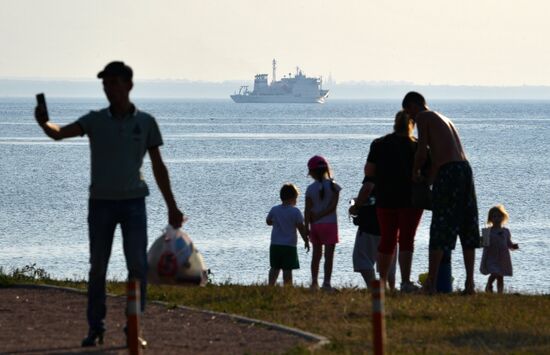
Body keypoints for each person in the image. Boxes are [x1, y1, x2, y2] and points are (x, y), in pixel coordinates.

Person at [34, 61, 184, 346]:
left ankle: (133, 325)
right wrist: (43, 123)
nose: (109, 88)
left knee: (138, 266)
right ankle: (96, 327)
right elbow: (58, 133)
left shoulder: (146, 122)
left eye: (114, 83)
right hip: (100, 203)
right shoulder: (95, 120)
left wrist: (172, 206)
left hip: (134, 205)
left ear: (128, 85)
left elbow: (159, 167)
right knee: (98, 268)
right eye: (105, 84)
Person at [403, 91, 480, 294]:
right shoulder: (444, 118)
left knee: (440, 227)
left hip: (449, 173)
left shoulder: (423, 117)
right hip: (464, 169)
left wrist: (415, 173)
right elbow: (442, 154)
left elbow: (422, 151)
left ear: (413, 105)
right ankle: (470, 284)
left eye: (408, 112)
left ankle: (431, 284)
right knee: (467, 225)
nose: (410, 118)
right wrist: (430, 179)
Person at [350, 111, 423, 292]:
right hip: (410, 200)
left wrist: (358, 205)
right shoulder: (417, 146)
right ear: (411, 126)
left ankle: (381, 282)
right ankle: (405, 281)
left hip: (386, 199)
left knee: (387, 240)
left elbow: (369, 172)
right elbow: (425, 173)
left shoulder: (379, 144)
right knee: (406, 240)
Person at [304, 155, 341, 291]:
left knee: (316, 255)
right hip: (330, 225)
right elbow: (333, 207)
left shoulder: (310, 189)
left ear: (311, 172)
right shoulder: (334, 186)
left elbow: (307, 210)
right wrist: (321, 215)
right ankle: (326, 283)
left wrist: (307, 226)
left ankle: (314, 283)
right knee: (329, 256)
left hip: (315, 226)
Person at [349, 191, 397, 290]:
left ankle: (374, 288)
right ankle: (390, 289)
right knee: (389, 261)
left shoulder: (373, 179)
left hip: (369, 227)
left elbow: (369, 191)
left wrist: (356, 205)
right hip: (391, 226)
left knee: (363, 259)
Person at [266, 183, 310, 286]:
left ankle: (270, 285)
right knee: (287, 269)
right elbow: (301, 228)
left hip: (275, 244)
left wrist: (276, 222)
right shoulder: (295, 212)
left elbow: (268, 221)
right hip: (289, 246)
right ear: (293, 198)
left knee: (274, 267)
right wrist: (306, 241)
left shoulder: (275, 209)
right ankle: (288, 287)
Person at [480, 205, 519, 293]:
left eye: (499, 216)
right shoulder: (487, 231)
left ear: (503, 217)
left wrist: (513, 246)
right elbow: (482, 244)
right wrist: (481, 240)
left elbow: (508, 243)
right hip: (491, 257)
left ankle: (500, 293)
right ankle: (489, 284)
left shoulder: (506, 231)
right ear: (490, 218)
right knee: (495, 272)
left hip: (503, 258)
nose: (497, 218)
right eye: (494, 216)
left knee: (500, 276)